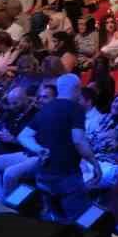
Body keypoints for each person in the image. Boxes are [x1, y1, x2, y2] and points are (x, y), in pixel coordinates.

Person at [16, 73, 97, 220]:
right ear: (77, 89)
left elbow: (23, 136)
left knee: (56, 220)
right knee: (81, 220)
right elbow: (78, 140)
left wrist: (37, 149)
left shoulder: (46, 108)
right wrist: (95, 164)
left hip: (43, 175)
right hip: (66, 175)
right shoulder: (75, 108)